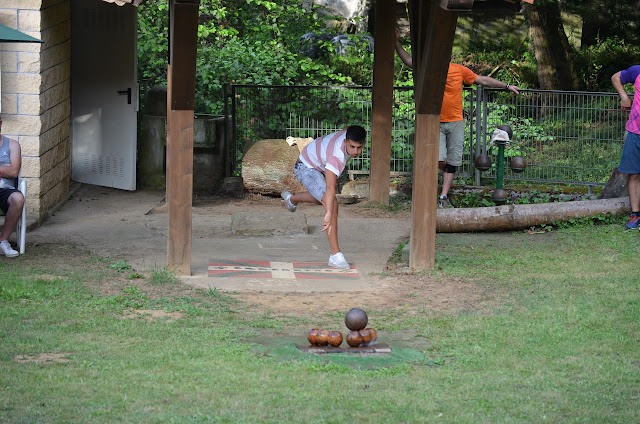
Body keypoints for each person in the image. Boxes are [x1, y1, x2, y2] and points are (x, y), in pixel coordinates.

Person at [395, 30, 520, 207]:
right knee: (439, 160)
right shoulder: (428, 67)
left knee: (454, 160)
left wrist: (506, 86)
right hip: (435, 122)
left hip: (456, 122)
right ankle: (441, 183)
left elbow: (482, 80)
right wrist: (396, 43)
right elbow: (408, 61)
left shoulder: (458, 70)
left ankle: (443, 197)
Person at [281, 125, 367, 269]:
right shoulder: (336, 157)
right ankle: (335, 255)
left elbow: (346, 127)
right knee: (331, 202)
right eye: (352, 147)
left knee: (320, 198)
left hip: (316, 163)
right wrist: (328, 213)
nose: (355, 152)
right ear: (345, 141)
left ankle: (291, 200)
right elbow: (330, 188)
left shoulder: (348, 134)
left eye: (359, 147)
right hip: (305, 167)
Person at [612, 65, 640, 229]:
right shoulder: (637, 71)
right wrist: (624, 97)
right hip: (635, 131)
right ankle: (635, 214)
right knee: (634, 175)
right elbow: (616, 77)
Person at [0, 117, 24, 257]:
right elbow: (8, 169)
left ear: (1, 124)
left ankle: (3, 242)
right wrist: (5, 168)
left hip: (5, 189)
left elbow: (14, 171)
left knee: (18, 198)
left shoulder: (12, 145)